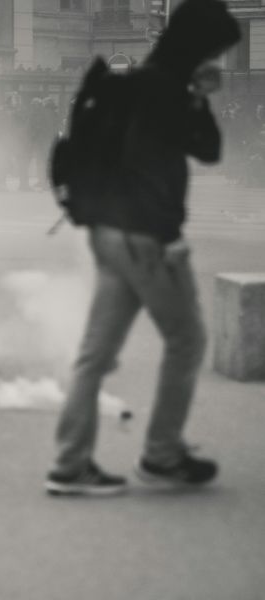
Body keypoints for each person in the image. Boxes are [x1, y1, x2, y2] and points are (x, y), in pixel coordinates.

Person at [45, 0, 241, 496]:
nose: (216, 59)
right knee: (188, 339)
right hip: (143, 238)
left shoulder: (134, 83)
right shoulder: (167, 90)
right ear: (198, 47)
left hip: (107, 232)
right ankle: (161, 453)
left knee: (95, 353)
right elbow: (204, 151)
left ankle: (70, 465)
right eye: (213, 50)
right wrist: (166, 239)